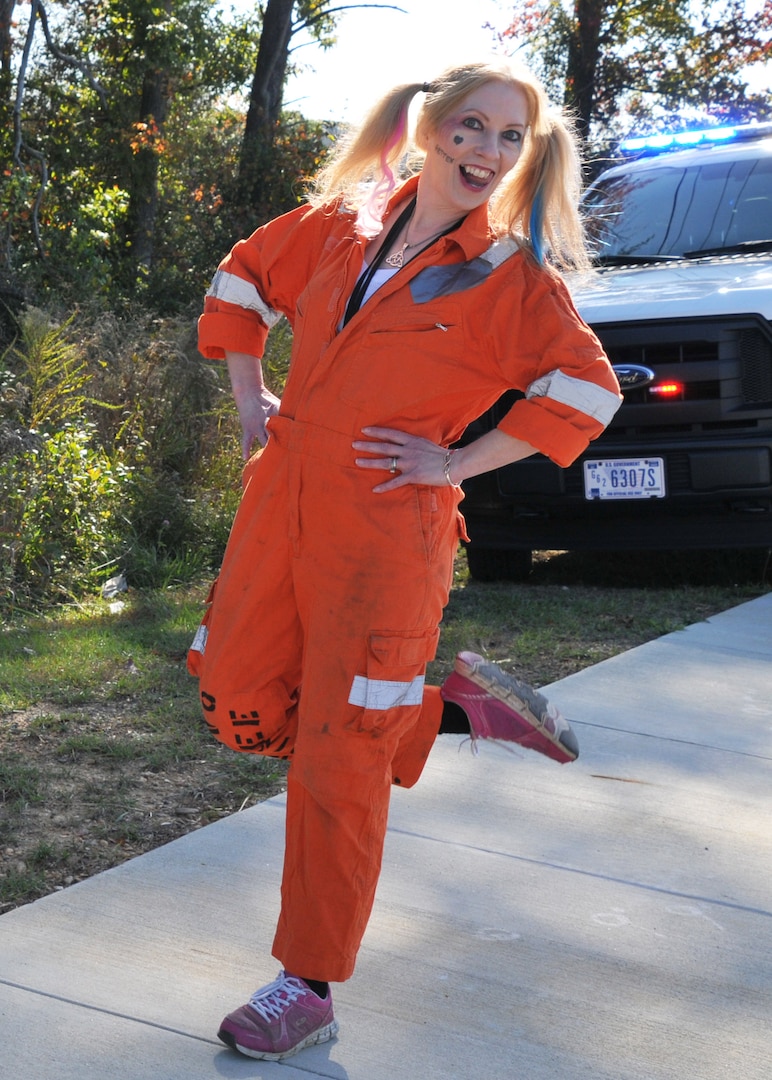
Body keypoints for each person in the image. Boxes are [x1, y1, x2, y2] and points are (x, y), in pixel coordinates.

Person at [188, 57, 622, 1062]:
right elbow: (240, 279)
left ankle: (309, 984)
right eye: (472, 127)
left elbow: (587, 393)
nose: (487, 152)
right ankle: (452, 708)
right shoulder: (339, 224)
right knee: (238, 701)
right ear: (430, 126)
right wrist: (251, 400)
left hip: (391, 532)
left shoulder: (509, 274)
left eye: (510, 138)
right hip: (280, 505)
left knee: (341, 754)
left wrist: (459, 458)